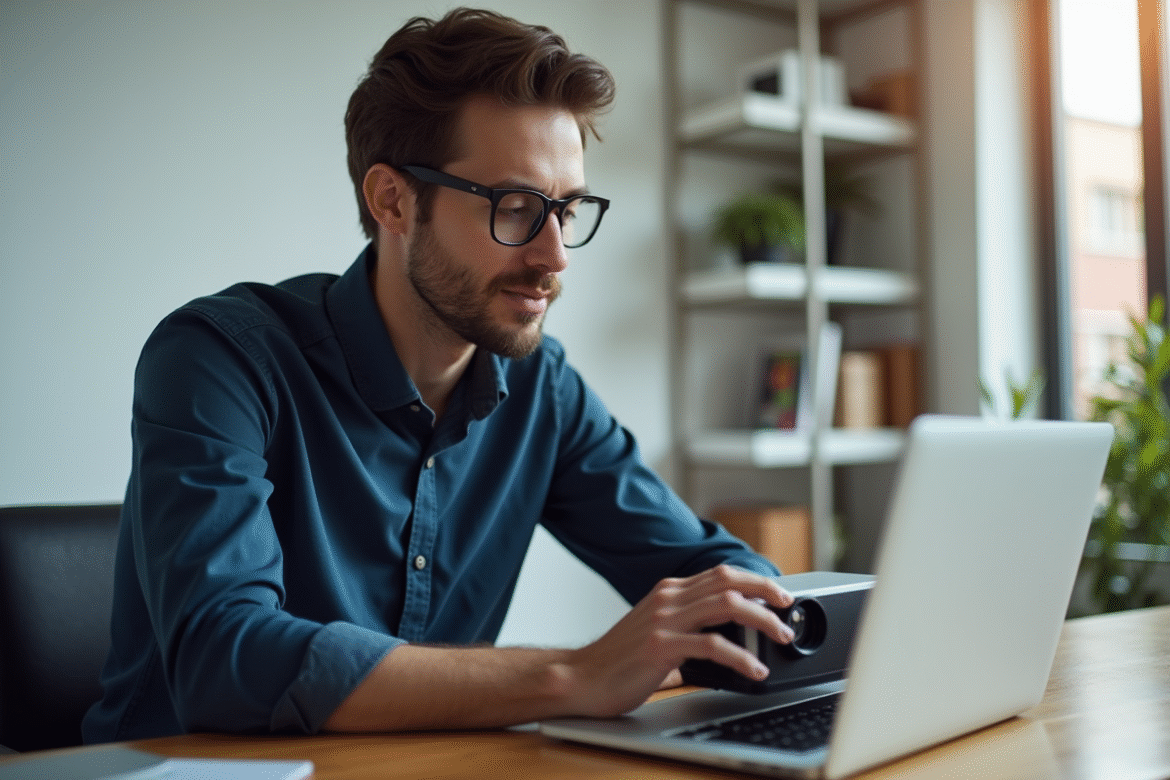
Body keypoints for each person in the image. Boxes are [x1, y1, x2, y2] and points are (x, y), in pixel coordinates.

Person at [83, 7, 795, 743]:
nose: (555, 257)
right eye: (516, 208)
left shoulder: (542, 389)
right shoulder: (220, 358)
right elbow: (225, 660)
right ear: (393, 199)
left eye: (568, 210)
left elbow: (704, 567)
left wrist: (777, 615)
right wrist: (574, 675)